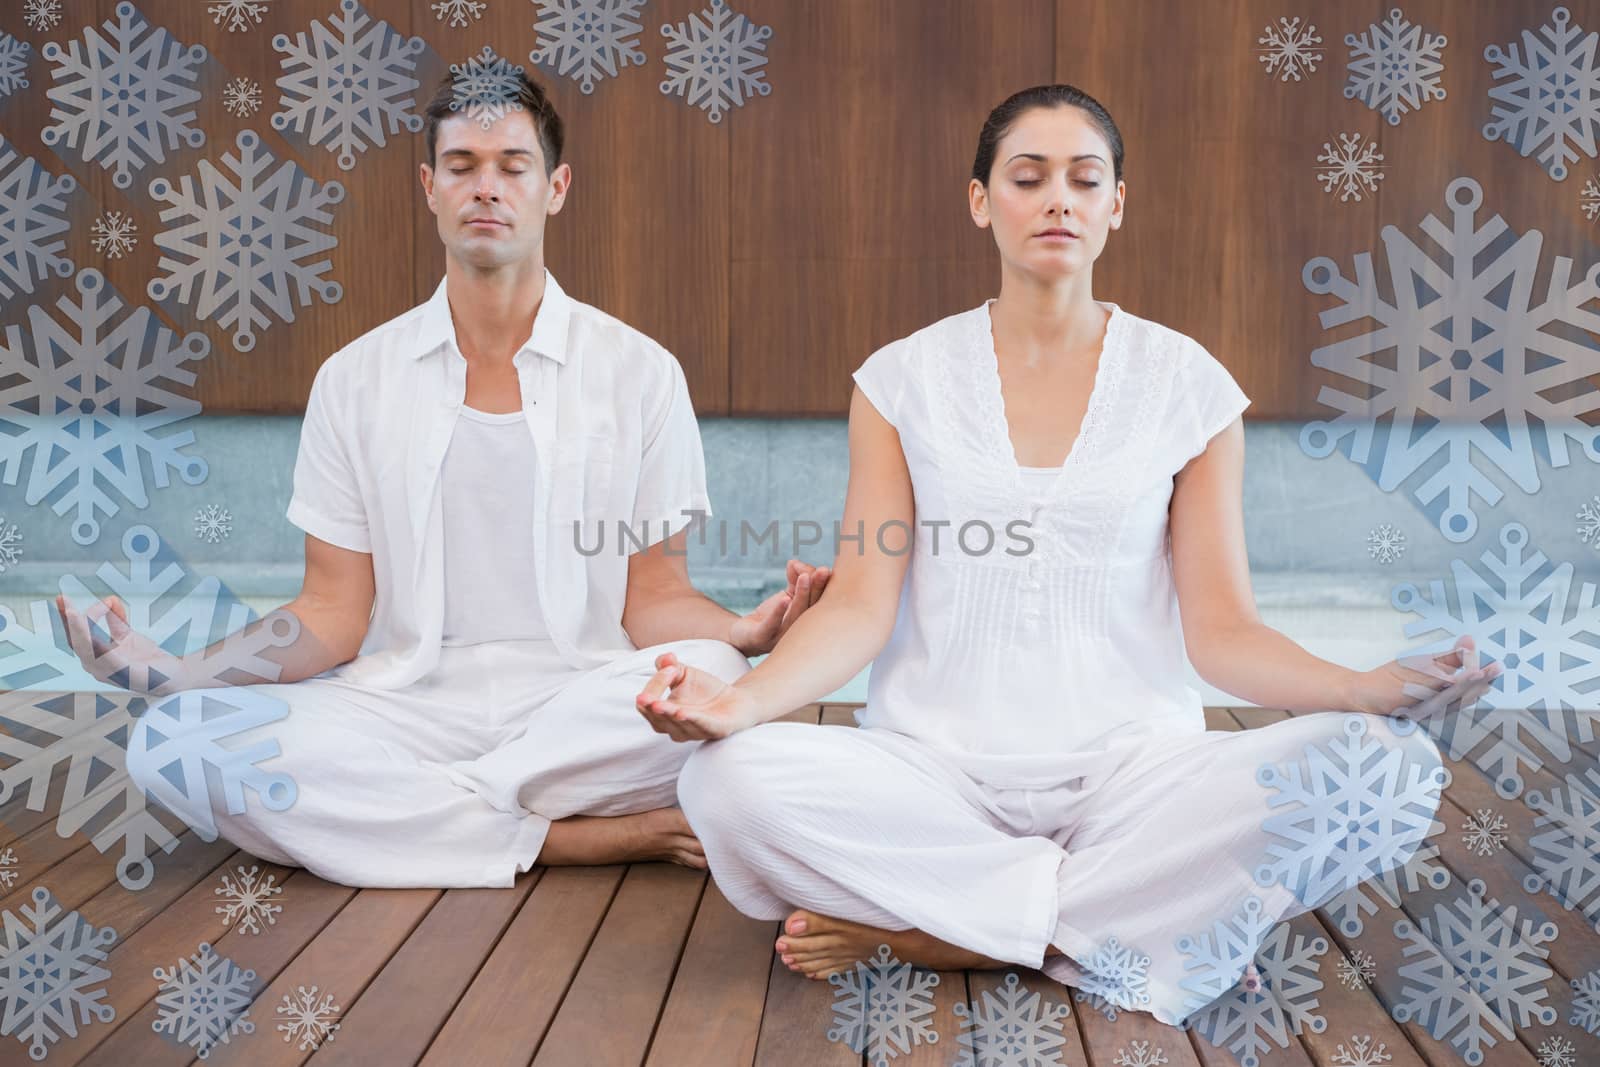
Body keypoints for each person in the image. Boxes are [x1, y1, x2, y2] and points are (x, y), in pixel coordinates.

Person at [633, 85, 1501, 1026]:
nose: (1059, 200)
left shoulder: (1189, 388)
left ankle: (951, 932)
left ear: (1116, 205)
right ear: (981, 201)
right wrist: (741, 702)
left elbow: (1224, 633)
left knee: (1388, 770)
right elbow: (858, 608)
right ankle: (1110, 925)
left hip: (1136, 780)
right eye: (1029, 177)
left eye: (1086, 180)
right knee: (725, 782)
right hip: (935, 774)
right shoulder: (900, 381)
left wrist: (1361, 686)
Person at [51, 68, 830, 889]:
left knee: (718, 677)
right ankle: (568, 836)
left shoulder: (640, 372)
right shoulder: (354, 380)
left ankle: (421, 821)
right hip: (402, 705)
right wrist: (169, 672)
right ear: (429, 186)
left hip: (579, 702)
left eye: (512, 165)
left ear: (555, 186)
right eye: (462, 165)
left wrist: (741, 631)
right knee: (174, 738)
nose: (486, 187)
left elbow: (652, 595)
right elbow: (332, 612)